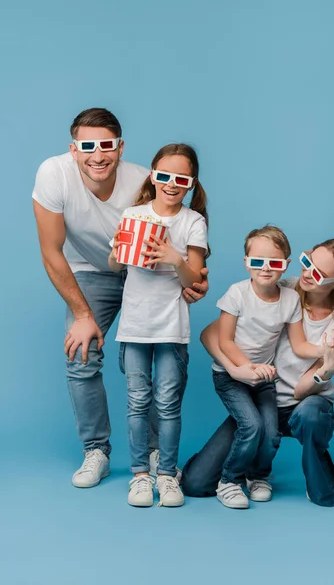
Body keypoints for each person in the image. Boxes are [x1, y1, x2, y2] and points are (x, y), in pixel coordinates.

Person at [32, 108, 209, 488]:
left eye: (107, 145)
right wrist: (82, 314)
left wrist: (192, 279)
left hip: (142, 274)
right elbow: (51, 251)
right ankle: (96, 450)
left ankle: (158, 454)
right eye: (88, 146)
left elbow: (182, 230)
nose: (98, 155)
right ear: (73, 149)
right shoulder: (53, 174)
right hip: (88, 272)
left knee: (144, 368)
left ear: (120, 147)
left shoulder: (145, 180)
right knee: (81, 354)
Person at [181, 238, 334, 507]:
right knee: (195, 484)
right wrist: (236, 368)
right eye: (306, 262)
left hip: (303, 404)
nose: (305, 273)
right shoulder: (281, 289)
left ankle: (312, 469)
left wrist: (329, 367)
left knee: (312, 414)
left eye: (317, 273)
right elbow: (211, 334)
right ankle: (244, 468)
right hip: (260, 397)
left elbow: (301, 389)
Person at [108, 143, 208, 507]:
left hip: (171, 327)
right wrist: (118, 251)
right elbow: (116, 264)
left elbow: (193, 277)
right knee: (137, 401)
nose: (170, 184)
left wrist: (173, 257)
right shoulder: (133, 213)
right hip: (135, 324)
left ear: (191, 183)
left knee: (167, 404)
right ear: (152, 175)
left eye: (180, 179)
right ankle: (139, 475)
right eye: (163, 176)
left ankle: (166, 474)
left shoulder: (192, 222)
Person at [212, 225, 325, 509]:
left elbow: (300, 345)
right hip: (231, 375)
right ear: (246, 263)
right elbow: (224, 341)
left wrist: (331, 351)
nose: (265, 269)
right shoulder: (237, 294)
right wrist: (246, 368)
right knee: (250, 426)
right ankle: (229, 480)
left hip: (264, 378)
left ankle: (258, 475)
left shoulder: (290, 299)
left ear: (285, 266)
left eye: (274, 263)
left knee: (271, 431)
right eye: (257, 262)